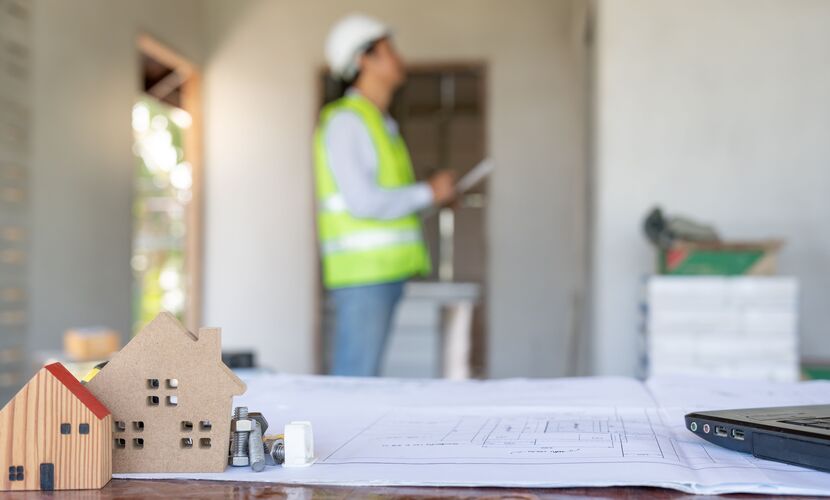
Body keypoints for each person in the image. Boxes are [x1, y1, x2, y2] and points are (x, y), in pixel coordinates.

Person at [314, 14, 455, 376]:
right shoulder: (347, 122)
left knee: (363, 380)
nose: (398, 58)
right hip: (363, 276)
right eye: (389, 50)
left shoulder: (379, 122)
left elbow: (387, 202)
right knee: (355, 381)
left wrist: (430, 198)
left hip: (382, 274)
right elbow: (362, 202)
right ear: (364, 60)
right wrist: (427, 191)